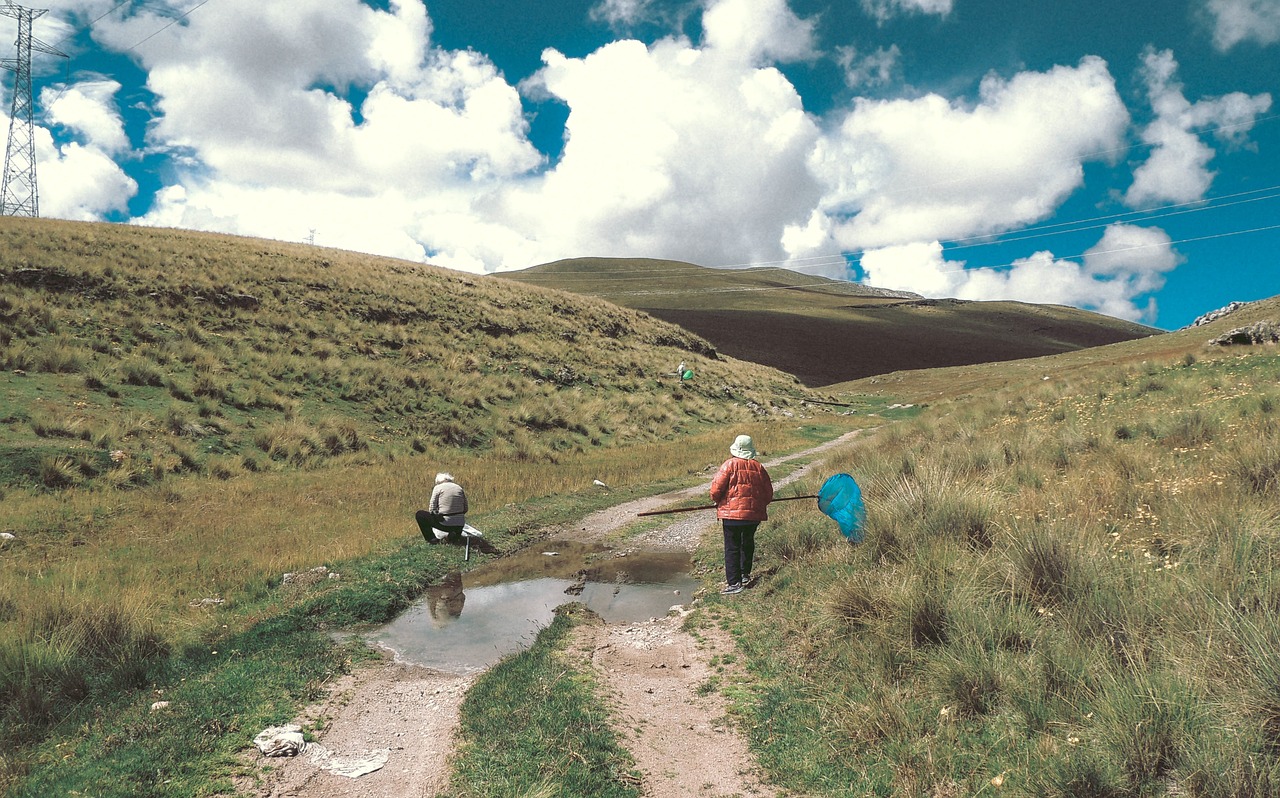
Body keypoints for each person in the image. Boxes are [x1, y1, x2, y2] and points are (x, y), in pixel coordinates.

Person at [709, 434, 773, 595]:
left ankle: (734, 583)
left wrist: (718, 501)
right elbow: (768, 494)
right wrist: (758, 506)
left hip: (731, 516)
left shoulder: (729, 465)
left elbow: (715, 490)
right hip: (753, 516)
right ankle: (744, 575)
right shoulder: (759, 467)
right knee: (747, 543)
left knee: (732, 547)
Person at [415, 472, 469, 544]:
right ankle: (454, 534)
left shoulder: (438, 488)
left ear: (438, 481)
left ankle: (432, 539)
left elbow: (431, 509)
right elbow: (465, 509)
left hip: (445, 524)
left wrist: (439, 514)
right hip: (460, 525)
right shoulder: (459, 488)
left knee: (420, 514)